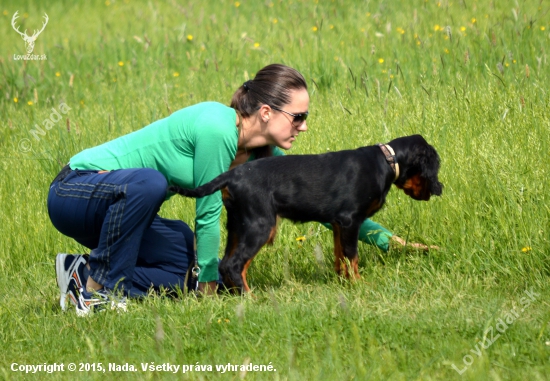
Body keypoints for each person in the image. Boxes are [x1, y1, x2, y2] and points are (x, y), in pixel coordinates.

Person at [48, 63, 428, 316]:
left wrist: (386, 240)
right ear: (266, 112)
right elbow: (208, 211)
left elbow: (330, 199)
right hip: (79, 189)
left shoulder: (262, 155)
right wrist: (210, 283)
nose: (304, 126)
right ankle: (97, 291)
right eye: (298, 117)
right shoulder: (217, 127)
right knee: (152, 184)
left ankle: (79, 272)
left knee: (184, 259)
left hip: (121, 217)